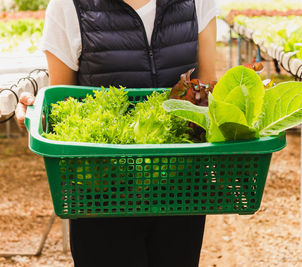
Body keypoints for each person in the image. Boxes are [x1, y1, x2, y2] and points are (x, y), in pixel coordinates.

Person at [16, 0, 218, 266]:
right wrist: (35, 110)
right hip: (101, 193)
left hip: (180, 188)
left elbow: (206, 88)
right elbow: (62, 104)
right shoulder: (69, 5)